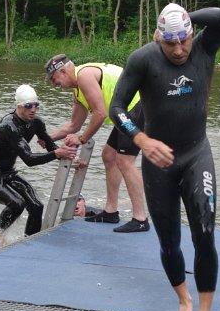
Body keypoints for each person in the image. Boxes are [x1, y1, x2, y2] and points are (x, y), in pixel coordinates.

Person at [110, 3, 220, 311]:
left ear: (192, 35)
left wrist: (183, 19)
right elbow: (116, 108)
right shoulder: (143, 59)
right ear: (157, 38)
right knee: (169, 242)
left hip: (196, 153)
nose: (179, 50)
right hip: (159, 161)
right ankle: (184, 301)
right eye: (170, 42)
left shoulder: (204, 48)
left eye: (184, 40)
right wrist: (141, 139)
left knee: (204, 234)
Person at [44, 56, 149, 233]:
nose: (55, 85)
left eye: (54, 79)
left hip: (139, 105)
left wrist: (81, 139)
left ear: (63, 71)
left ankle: (140, 218)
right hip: (124, 112)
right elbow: (74, 125)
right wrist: (47, 138)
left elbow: (100, 114)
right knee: (109, 156)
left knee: (125, 161)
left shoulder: (84, 76)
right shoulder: (78, 92)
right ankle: (111, 212)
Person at [0, 84, 73, 246]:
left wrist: (71, 158)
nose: (33, 110)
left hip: (9, 173)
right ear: (19, 106)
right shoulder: (8, 126)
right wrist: (57, 154)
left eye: (36, 105)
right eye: (28, 106)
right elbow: (29, 160)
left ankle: (31, 242)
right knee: (17, 203)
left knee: (36, 206)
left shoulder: (36, 123)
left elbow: (51, 147)